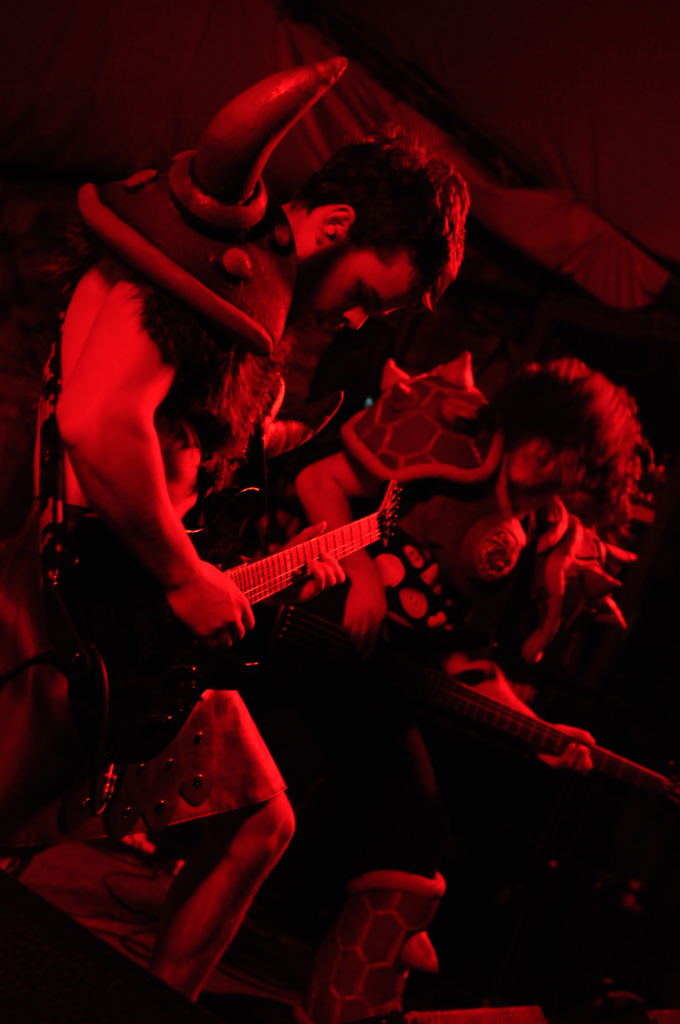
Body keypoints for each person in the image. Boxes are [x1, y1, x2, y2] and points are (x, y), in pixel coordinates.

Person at [0, 58, 470, 1000]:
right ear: (334, 225)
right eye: (372, 291)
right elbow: (98, 421)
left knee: (261, 819)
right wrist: (185, 577)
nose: (361, 318)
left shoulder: (258, 319)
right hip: (57, 618)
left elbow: (176, 464)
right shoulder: (205, 265)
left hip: (126, 630)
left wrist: (272, 559)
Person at [293, 353, 648, 1024]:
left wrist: (542, 736)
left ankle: (344, 1003)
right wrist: (359, 569)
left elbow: (468, 661)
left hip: (381, 681)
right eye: (547, 435)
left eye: (570, 451)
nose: (547, 455)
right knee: (396, 819)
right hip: (310, 634)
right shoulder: (451, 449)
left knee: (414, 827)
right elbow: (320, 480)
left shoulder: (538, 537)